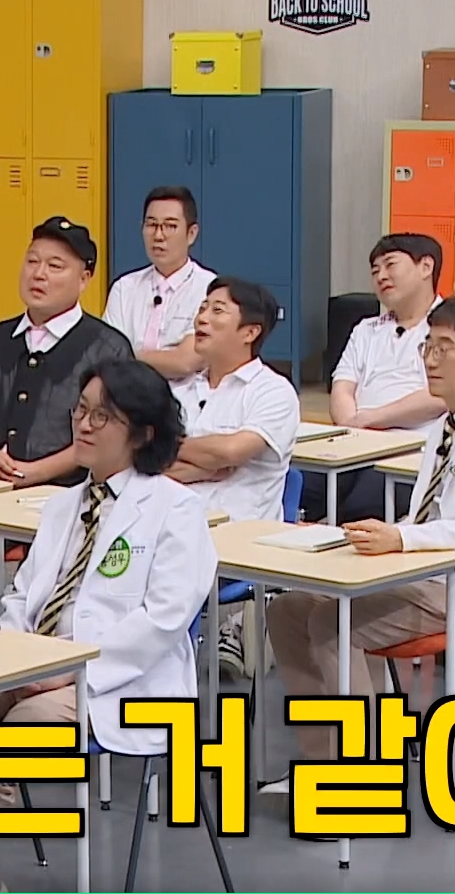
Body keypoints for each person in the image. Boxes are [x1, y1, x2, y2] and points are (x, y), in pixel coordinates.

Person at [0, 359, 216, 892]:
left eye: (102, 416)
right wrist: (14, 661)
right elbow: (22, 597)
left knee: (20, 728)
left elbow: (162, 622)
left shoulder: (177, 510)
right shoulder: (63, 506)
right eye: (80, 410)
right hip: (32, 665)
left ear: (143, 433)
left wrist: (64, 671)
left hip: (118, 682)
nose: (84, 425)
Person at [263, 293, 455, 794]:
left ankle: (361, 773)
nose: (430, 360)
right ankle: (324, 757)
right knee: (287, 610)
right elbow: (428, 514)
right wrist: (369, 537)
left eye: (445, 348)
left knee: (334, 622)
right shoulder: (445, 427)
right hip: (424, 575)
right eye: (428, 347)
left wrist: (399, 537)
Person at [0, 216, 132, 585]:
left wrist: (34, 472)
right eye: (32, 261)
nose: (39, 274)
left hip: (63, 496)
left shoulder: (107, 349)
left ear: (85, 278)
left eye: (55, 266)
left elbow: (110, 439)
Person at [165, 278, 301, 680]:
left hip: (237, 541)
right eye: (202, 308)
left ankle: (170, 690)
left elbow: (231, 452)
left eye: (218, 310)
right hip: (171, 527)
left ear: (250, 332)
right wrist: (205, 462)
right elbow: (141, 457)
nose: (202, 318)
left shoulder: (272, 392)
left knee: (164, 580)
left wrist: (180, 450)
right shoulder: (176, 391)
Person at [309, 233, 450, 524]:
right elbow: (342, 386)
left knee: (361, 508)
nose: (381, 276)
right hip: (354, 441)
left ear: (426, 267)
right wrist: (352, 426)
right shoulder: (366, 329)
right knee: (303, 486)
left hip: (412, 449)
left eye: (390, 265)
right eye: (375, 270)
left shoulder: (452, 326)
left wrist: (371, 419)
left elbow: (442, 395)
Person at [102, 186, 214, 403]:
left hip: (183, 402)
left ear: (191, 234)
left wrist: (127, 356)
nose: (158, 235)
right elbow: (106, 357)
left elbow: (185, 362)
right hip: (125, 401)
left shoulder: (209, 289)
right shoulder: (124, 288)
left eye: (170, 226)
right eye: (151, 225)